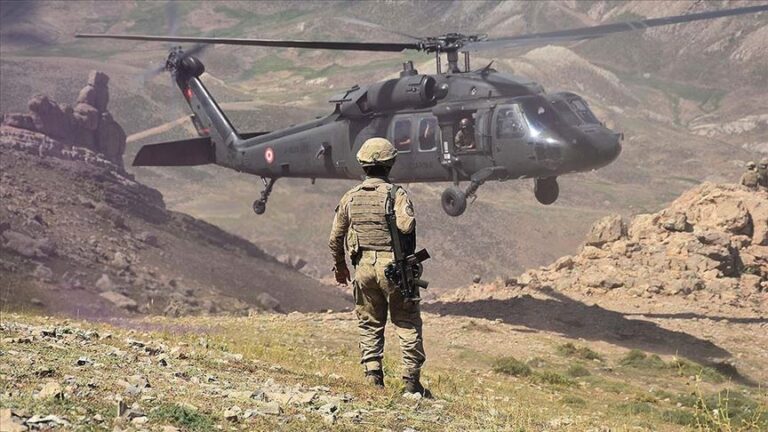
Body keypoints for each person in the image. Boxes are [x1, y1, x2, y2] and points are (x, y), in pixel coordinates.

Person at [328, 137, 429, 396]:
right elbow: (407, 226)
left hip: (363, 268)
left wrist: (340, 267)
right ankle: (411, 382)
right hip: (393, 268)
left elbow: (335, 238)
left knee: (370, 322)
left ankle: (373, 376)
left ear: (363, 164)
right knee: (406, 322)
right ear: (390, 164)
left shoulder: (350, 197)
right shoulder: (396, 194)